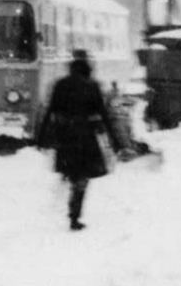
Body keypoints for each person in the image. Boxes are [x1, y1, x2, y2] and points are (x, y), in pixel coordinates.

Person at [39, 52, 123, 231]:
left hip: (65, 136)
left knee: (73, 171)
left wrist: (41, 138)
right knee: (82, 177)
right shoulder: (92, 86)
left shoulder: (60, 85)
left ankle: (72, 198)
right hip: (85, 137)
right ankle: (74, 215)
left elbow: (50, 111)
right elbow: (104, 114)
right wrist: (115, 140)